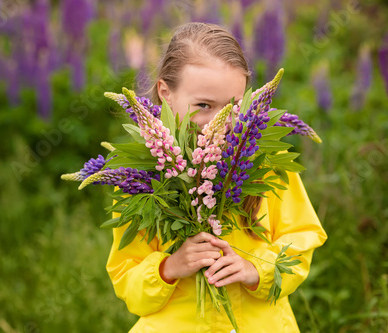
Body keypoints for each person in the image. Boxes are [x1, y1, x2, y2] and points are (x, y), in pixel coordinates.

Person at [106, 22, 327, 333]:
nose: (221, 122)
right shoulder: (141, 179)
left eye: (234, 107)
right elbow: (127, 279)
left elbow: (302, 237)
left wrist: (256, 269)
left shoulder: (267, 163)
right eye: (204, 106)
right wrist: (169, 267)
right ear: (166, 93)